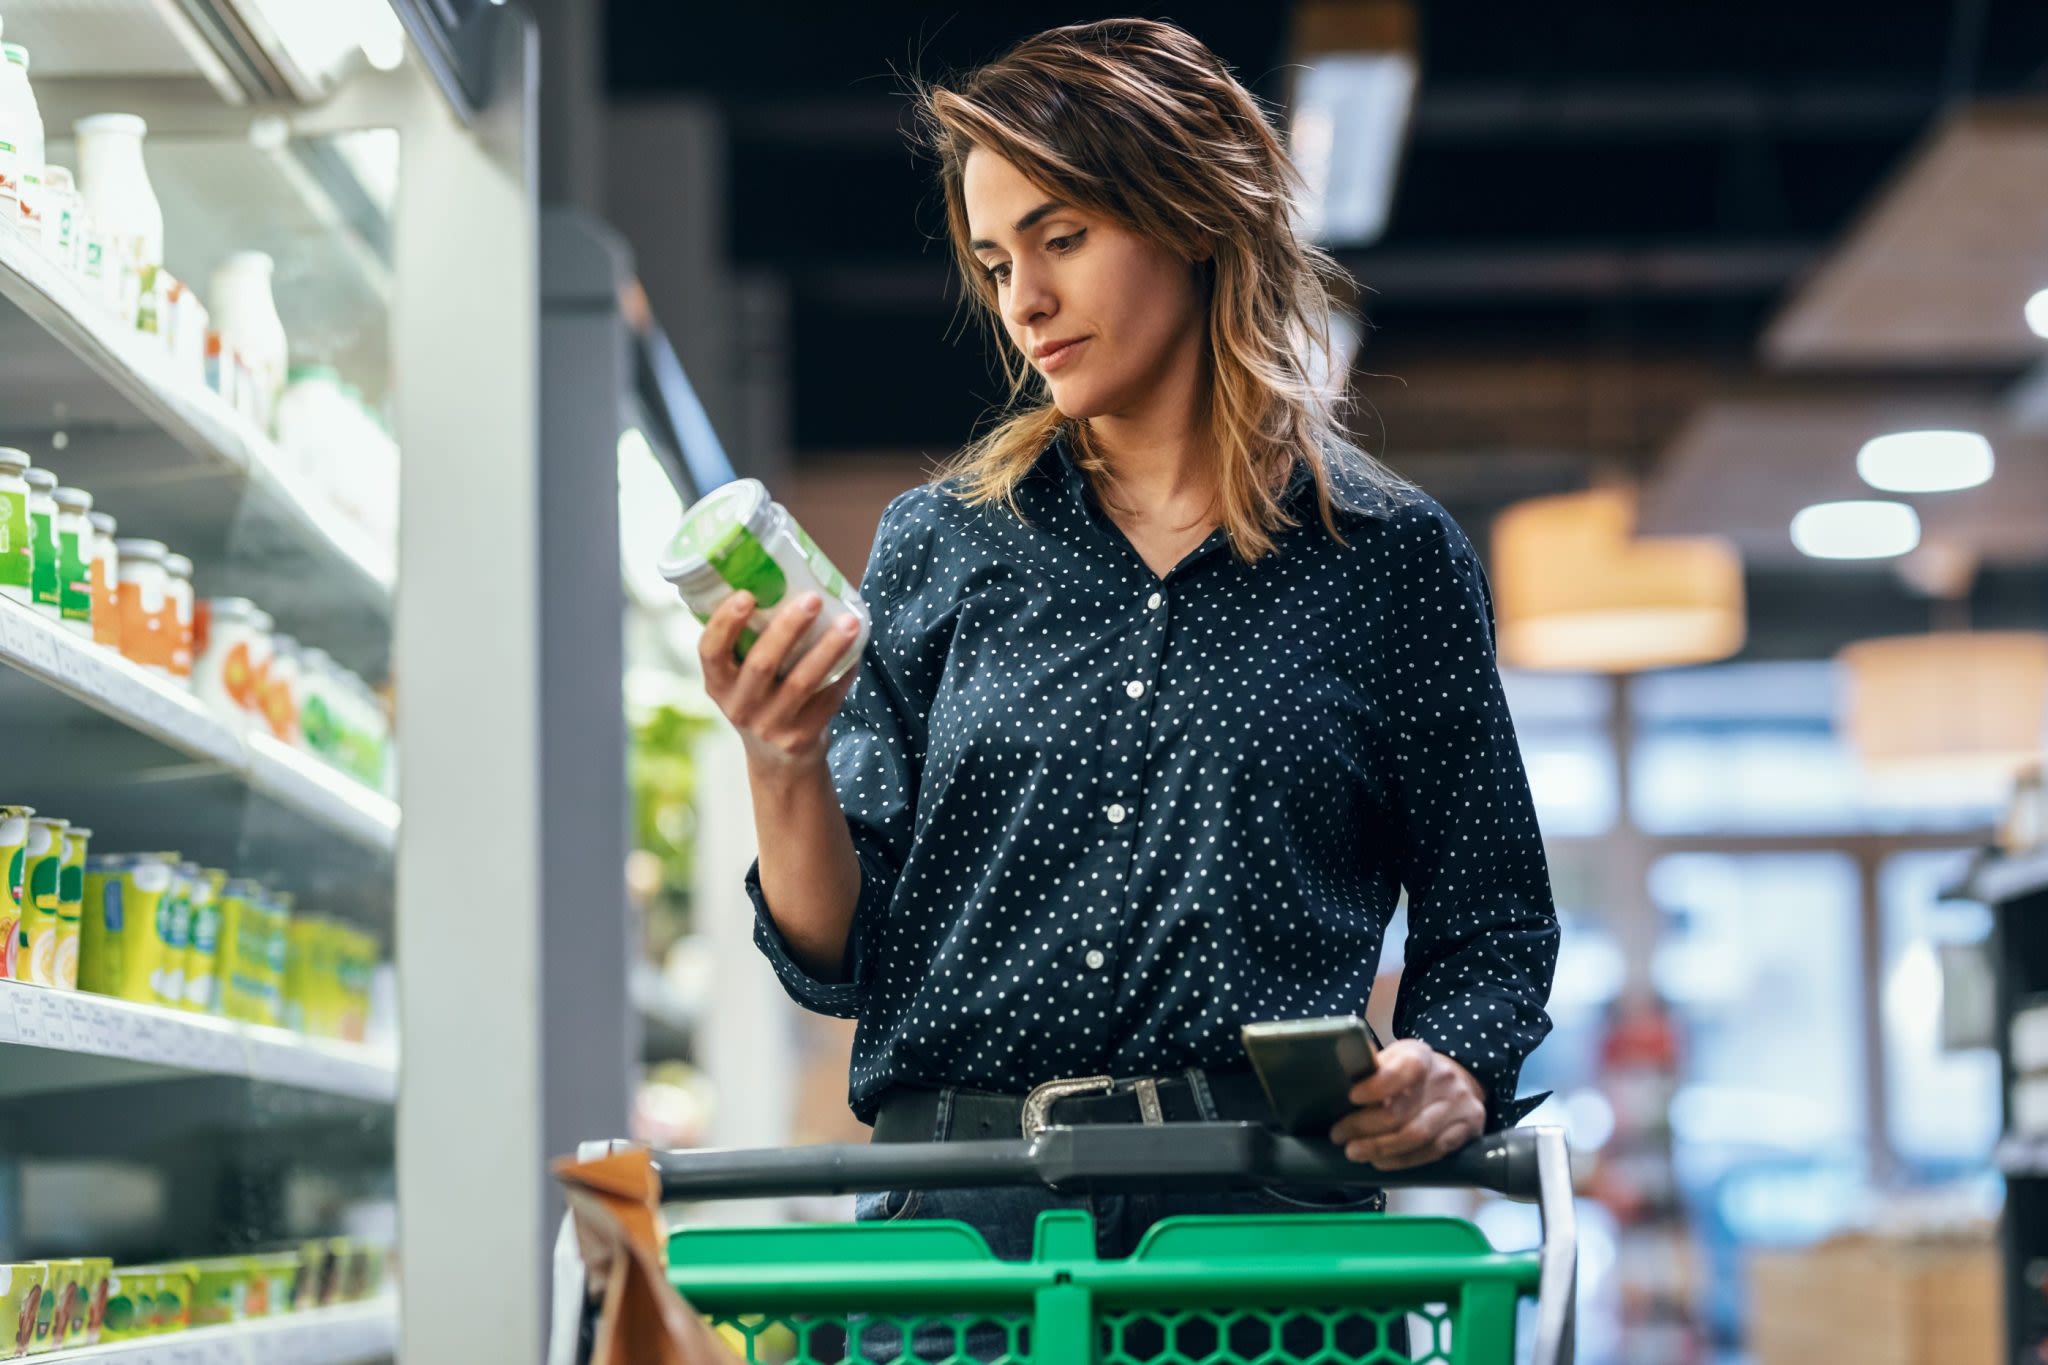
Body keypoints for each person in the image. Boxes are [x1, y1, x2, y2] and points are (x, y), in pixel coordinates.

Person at [699, 14, 1558, 1282]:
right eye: (994, 262)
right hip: (959, 1234)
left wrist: (1455, 1068)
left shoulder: (1388, 559)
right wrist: (781, 758)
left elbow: (1490, 921)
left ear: (1193, 216)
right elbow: (838, 959)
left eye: (1060, 238)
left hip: (1256, 1240)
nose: (1023, 302)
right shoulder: (942, 545)